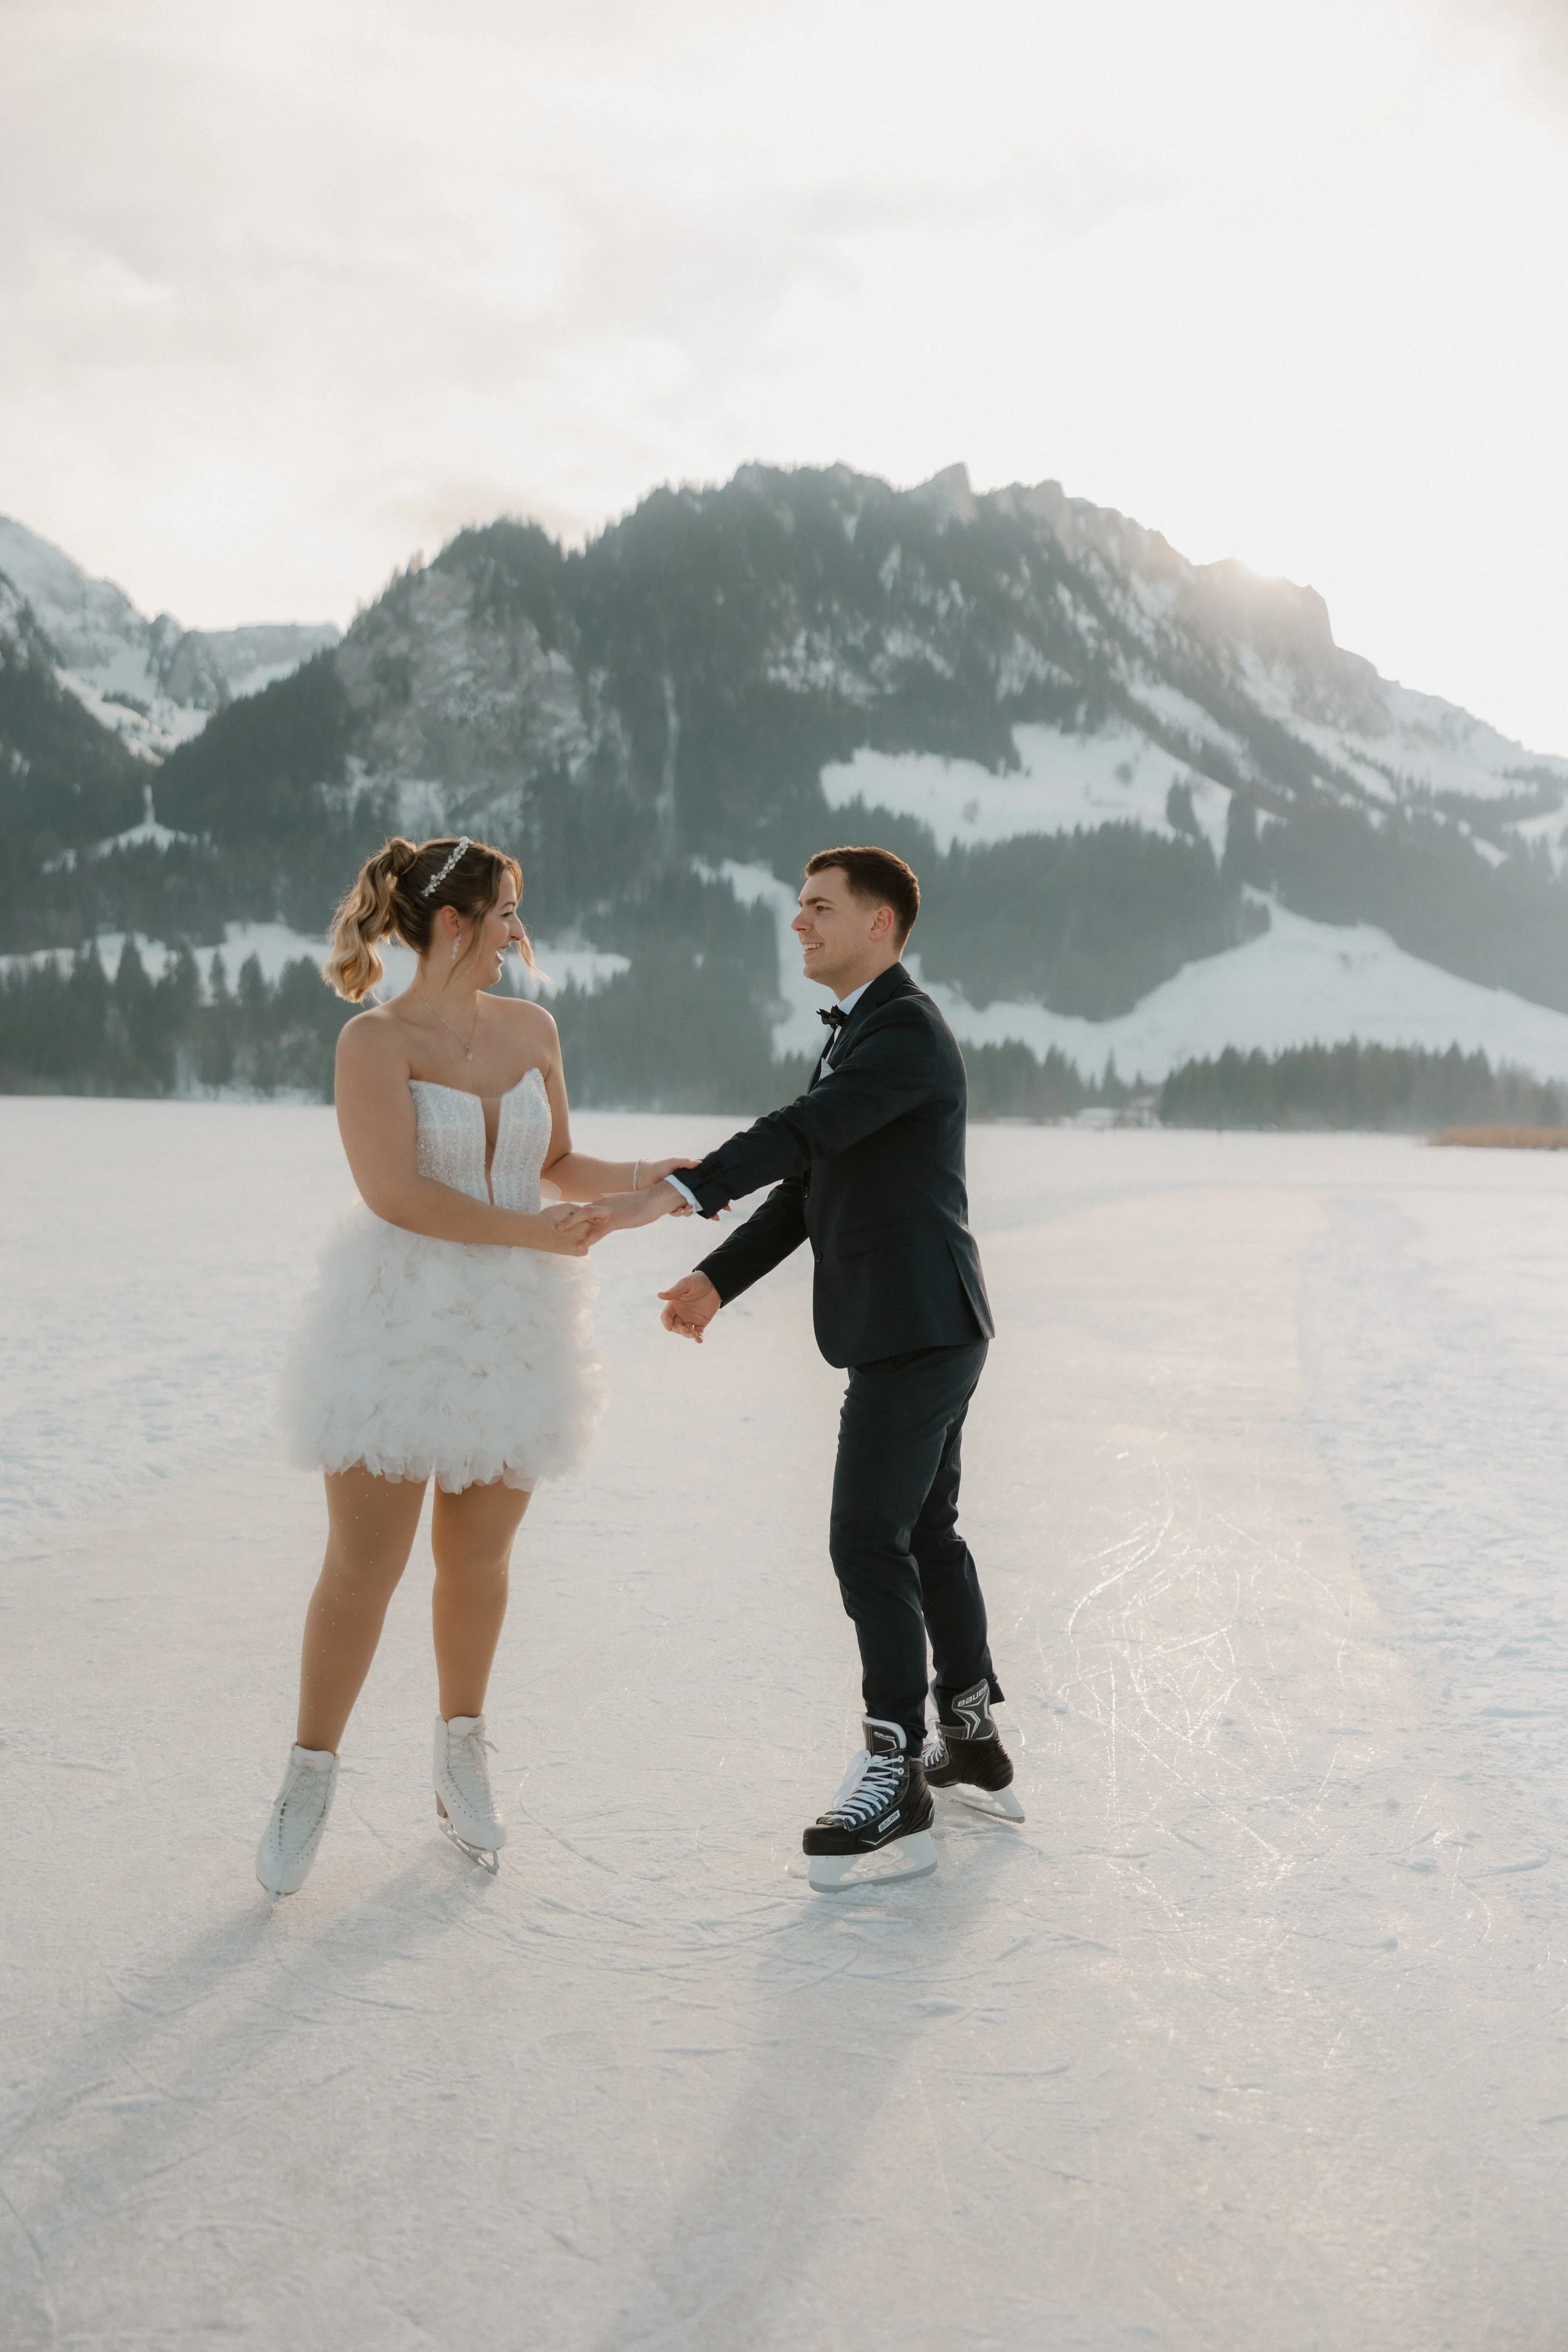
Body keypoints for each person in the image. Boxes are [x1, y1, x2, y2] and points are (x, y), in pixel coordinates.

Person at [258, 834, 692, 1897]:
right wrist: (536, 1237)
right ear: (455, 921)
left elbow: (550, 1163)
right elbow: (394, 1193)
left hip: (516, 1322)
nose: (517, 934)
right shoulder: (375, 1041)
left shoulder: (532, 1026)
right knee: (365, 1564)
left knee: (481, 1558)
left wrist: (647, 1174)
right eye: (506, 914)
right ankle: (308, 1774)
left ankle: (460, 1758)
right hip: (401, 1314)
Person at [593, 845, 1021, 1890]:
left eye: (820, 907)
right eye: (797, 907)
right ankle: (966, 1733)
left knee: (865, 1536)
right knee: (922, 1530)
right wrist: (714, 1279)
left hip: (916, 1330)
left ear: (881, 924)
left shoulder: (904, 1030)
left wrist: (680, 1190)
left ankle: (895, 1775)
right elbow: (808, 1184)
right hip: (925, 1321)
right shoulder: (868, 1036)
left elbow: (800, 1134)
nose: (799, 923)